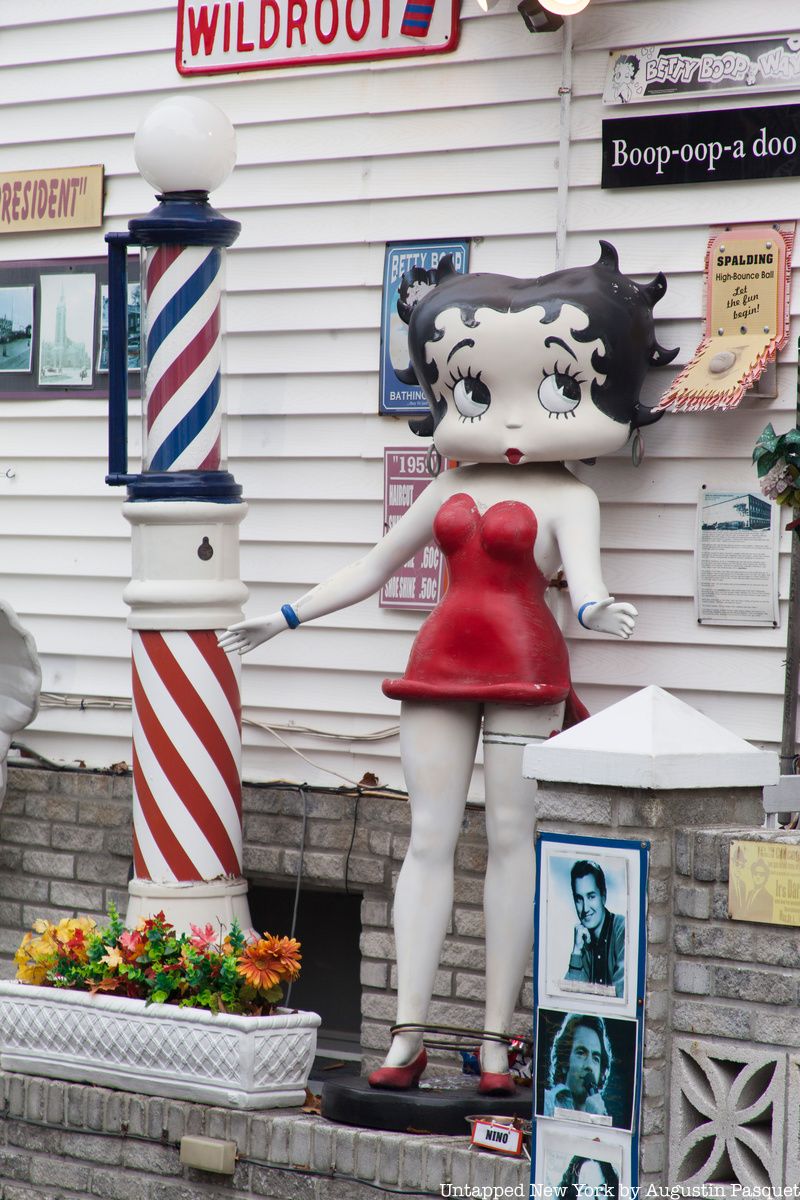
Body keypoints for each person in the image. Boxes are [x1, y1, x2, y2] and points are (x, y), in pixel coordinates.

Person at [219, 243, 677, 1095]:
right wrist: (283, 617)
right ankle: (407, 1034)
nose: (505, 420)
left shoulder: (574, 497)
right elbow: (369, 569)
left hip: (524, 668)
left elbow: (586, 586)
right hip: (437, 665)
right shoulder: (443, 486)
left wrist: (595, 612)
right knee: (426, 841)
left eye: (548, 390)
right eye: (475, 391)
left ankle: (498, 1040)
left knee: (512, 843)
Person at [564, 859, 625, 997]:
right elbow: (570, 999)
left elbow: (621, 996)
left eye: (591, 896)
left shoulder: (622, 928)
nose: (585, 908)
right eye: (579, 899)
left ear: (603, 896)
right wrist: (577, 951)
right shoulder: (584, 940)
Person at [542, 1012, 612, 1119]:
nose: (589, 1065)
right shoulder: (546, 1102)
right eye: (581, 1053)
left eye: (596, 1058)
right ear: (565, 1062)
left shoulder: (601, 1111)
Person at [744, 858, 773, 922]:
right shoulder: (750, 893)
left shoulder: (768, 897)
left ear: (766, 877)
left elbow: (767, 920)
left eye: (761, 874)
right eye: (755, 873)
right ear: (752, 875)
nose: (758, 877)